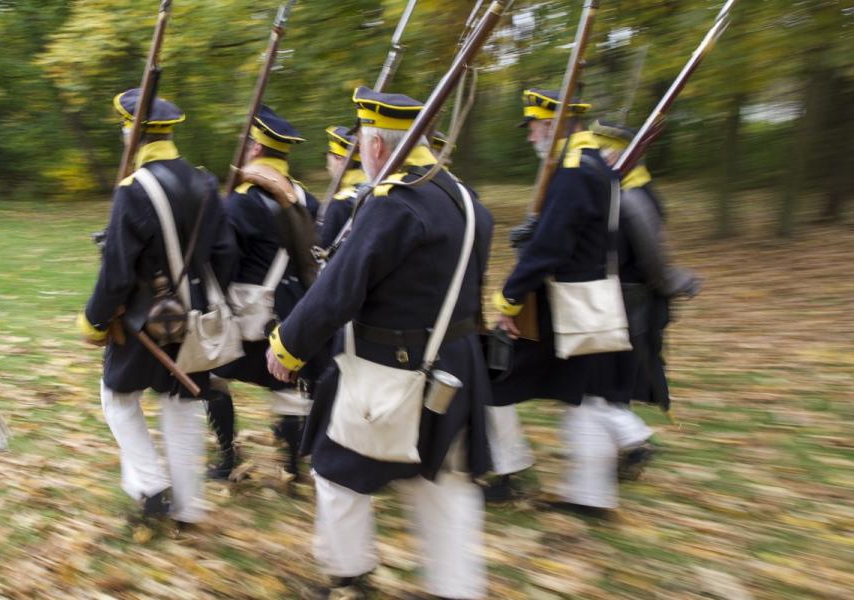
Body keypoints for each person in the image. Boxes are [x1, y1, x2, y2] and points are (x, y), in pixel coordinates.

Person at [266, 86, 493, 599]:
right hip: (458, 361)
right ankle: (458, 589)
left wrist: (286, 347)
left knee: (335, 470)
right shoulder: (465, 198)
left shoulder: (394, 202)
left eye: (363, 144)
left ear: (374, 146)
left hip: (393, 368)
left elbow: (340, 289)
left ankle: (348, 578)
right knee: (444, 481)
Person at [79, 89, 237, 527]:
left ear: (133, 130)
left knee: (116, 396)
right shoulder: (205, 182)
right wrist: (200, 301)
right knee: (184, 404)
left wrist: (94, 320)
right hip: (194, 312)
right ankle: (189, 508)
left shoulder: (134, 189)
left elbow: (117, 274)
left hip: (140, 319)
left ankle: (150, 486)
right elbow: (224, 255)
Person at [490, 88, 639, 516]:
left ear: (552, 125)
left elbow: (551, 249)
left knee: (493, 379)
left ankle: (508, 473)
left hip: (566, 301)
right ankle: (589, 498)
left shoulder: (573, 171)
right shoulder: (597, 165)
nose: (530, 137)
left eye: (535, 127)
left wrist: (509, 298)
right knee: (585, 396)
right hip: (588, 296)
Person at [207, 105, 319, 482]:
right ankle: (292, 467)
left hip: (252, 310)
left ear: (256, 149)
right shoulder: (306, 198)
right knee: (285, 384)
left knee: (209, 376)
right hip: (296, 309)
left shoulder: (242, 201)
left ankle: (227, 458)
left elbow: (226, 259)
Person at [590, 119, 701, 479]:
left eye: (603, 151)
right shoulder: (623, 191)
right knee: (612, 380)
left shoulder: (634, 197)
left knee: (608, 380)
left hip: (630, 302)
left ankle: (632, 442)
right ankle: (622, 449)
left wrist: (674, 281)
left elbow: (652, 259)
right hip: (623, 300)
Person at [316, 125, 368, 248]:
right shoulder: (372, 190)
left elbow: (322, 250)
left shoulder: (341, 203)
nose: (327, 164)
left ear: (339, 159)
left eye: (328, 155)